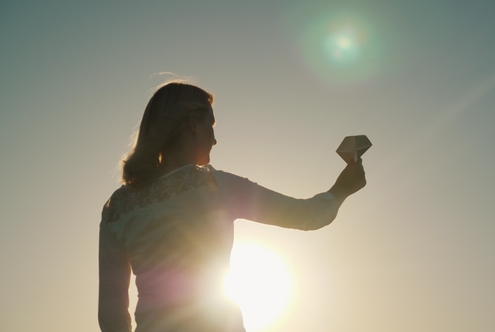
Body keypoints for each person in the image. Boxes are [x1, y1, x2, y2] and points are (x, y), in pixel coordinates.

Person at [98, 81, 366, 332]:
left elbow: (111, 315)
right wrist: (342, 189)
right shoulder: (214, 185)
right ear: (192, 125)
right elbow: (308, 216)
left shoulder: (117, 208)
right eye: (210, 125)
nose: (214, 139)